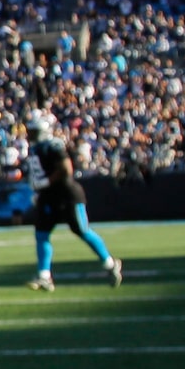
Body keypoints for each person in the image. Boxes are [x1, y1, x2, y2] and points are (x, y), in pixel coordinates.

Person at [24, 108, 123, 291]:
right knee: (41, 234)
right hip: (48, 196)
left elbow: (66, 169)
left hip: (67, 195)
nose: (30, 135)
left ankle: (110, 263)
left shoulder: (53, 146)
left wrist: (45, 182)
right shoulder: (36, 148)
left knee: (82, 231)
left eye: (33, 131)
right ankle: (44, 275)